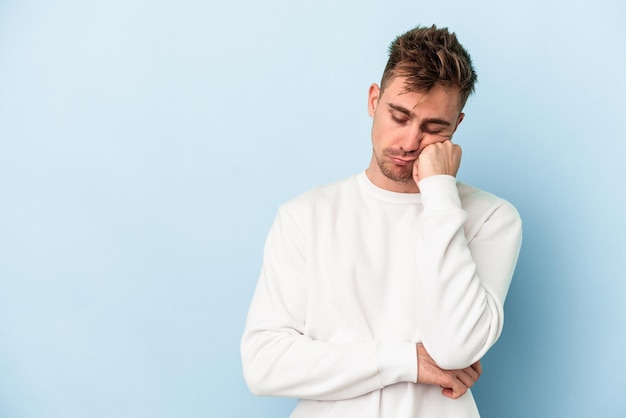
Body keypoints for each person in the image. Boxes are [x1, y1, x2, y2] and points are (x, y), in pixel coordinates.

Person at [241, 24, 522, 418]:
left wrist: (440, 193)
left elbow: (456, 348)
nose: (409, 142)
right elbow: (263, 364)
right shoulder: (305, 216)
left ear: (456, 127)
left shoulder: (491, 218)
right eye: (399, 116)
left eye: (432, 128)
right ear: (374, 100)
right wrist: (406, 362)